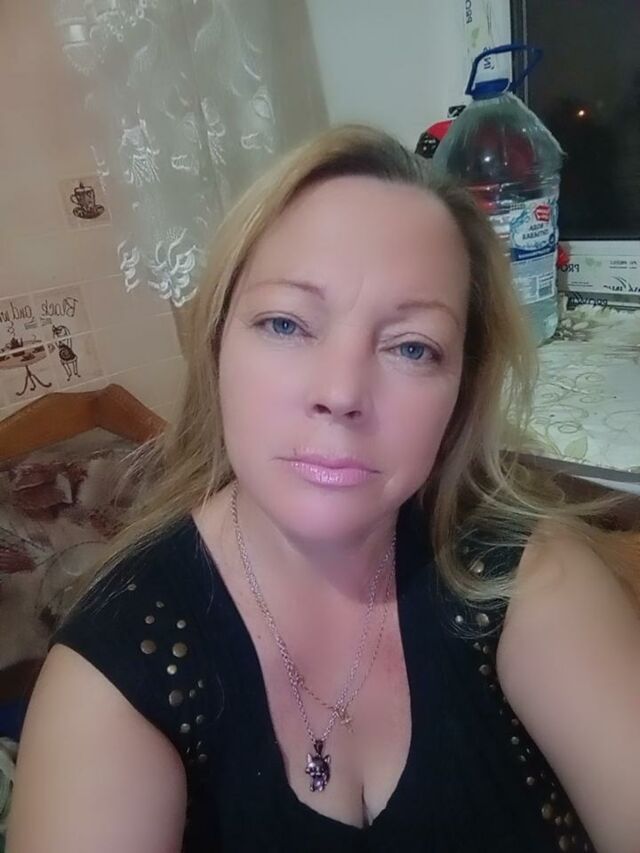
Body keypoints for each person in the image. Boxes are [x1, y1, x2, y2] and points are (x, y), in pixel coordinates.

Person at [6, 126, 640, 853]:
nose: (341, 393)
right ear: (216, 347)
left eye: (412, 347)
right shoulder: (113, 675)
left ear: (461, 390)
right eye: (286, 323)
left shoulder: (529, 578)